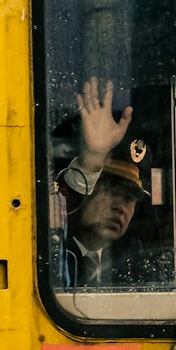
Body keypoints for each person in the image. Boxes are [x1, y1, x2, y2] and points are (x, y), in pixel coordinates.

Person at [57, 78, 150, 287]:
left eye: (131, 198)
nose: (121, 207)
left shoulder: (134, 264)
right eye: (111, 190)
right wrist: (93, 158)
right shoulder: (51, 250)